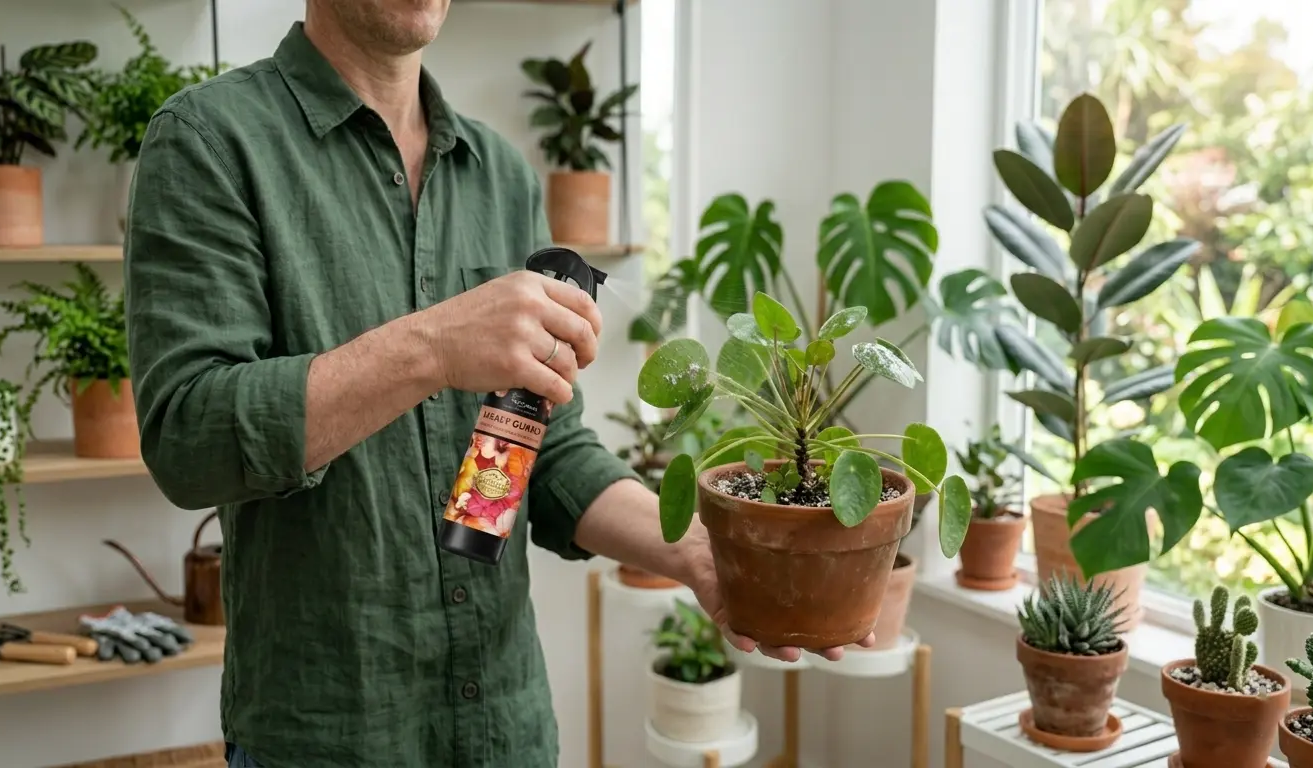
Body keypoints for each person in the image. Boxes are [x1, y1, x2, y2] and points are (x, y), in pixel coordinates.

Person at [123, 1, 870, 765]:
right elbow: (189, 438)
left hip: (505, 729)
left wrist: (696, 551)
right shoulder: (211, 143)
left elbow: (532, 454)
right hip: (327, 736)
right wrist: (435, 348)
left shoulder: (499, 175)